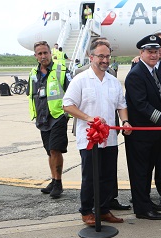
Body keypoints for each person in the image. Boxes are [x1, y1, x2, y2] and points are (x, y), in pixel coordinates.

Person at [63, 40, 132, 226]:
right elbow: (67, 105)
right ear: (91, 57)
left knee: (108, 176)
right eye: (101, 56)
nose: (105, 60)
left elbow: (121, 106)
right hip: (89, 139)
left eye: (107, 56)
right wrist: (88, 118)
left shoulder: (113, 81)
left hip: (109, 138)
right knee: (90, 177)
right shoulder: (81, 80)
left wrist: (125, 121)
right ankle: (86, 211)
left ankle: (103, 210)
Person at [124, 34, 161, 220]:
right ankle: (141, 209)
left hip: (152, 134)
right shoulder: (136, 74)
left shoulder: (151, 71)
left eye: (156, 51)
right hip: (141, 134)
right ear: (141, 53)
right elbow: (142, 106)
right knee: (140, 172)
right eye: (150, 52)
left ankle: (145, 201)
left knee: (147, 170)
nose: (154, 55)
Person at [27, 41, 72, 198]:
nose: (43, 56)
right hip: (42, 118)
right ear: (35, 56)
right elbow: (32, 95)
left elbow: (72, 91)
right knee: (49, 151)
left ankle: (58, 182)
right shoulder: (33, 73)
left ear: (50, 53)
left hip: (58, 116)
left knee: (55, 149)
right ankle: (53, 179)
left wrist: (67, 114)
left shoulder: (61, 70)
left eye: (45, 53)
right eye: (39, 54)